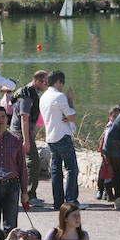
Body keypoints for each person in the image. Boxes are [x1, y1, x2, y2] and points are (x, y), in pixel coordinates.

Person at [39, 70, 79, 209]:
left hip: (50, 137)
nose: (63, 86)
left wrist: (65, 116)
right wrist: (70, 99)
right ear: (58, 82)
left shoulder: (43, 97)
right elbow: (72, 117)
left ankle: (58, 202)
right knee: (72, 168)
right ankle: (71, 200)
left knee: (56, 170)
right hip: (62, 135)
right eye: (62, 83)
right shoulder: (60, 96)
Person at [8, 71, 47, 206]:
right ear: (37, 81)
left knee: (21, 163)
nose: (46, 85)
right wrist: (26, 140)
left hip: (19, 131)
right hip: (20, 132)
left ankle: (24, 194)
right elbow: (24, 118)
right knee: (33, 162)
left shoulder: (29, 92)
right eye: (45, 82)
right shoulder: (27, 95)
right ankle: (30, 195)